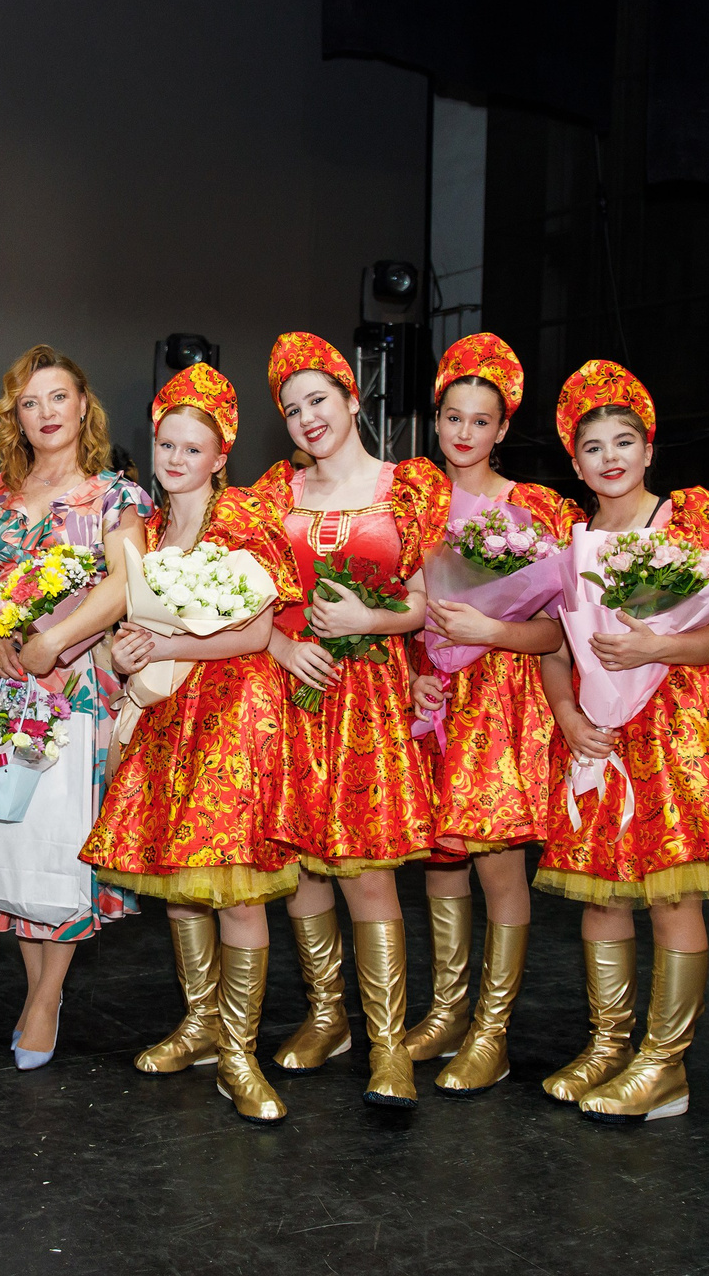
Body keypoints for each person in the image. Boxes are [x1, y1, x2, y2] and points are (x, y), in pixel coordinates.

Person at [537, 360, 709, 1122]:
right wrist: (567, 716)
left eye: (623, 442)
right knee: (601, 896)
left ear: (649, 449)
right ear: (576, 465)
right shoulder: (569, 543)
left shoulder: (690, 519)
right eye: (593, 448)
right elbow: (555, 651)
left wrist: (656, 648)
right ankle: (607, 1046)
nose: (610, 457)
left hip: (675, 728)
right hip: (600, 734)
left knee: (670, 893)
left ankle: (664, 1067)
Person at [77, 364, 299, 1123]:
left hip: (232, 712)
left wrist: (170, 648)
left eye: (191, 448)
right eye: (166, 444)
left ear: (219, 456)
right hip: (164, 716)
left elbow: (259, 631)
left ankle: (240, 1051)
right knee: (178, 880)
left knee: (235, 884)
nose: (175, 458)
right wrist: (124, 654)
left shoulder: (242, 518)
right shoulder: (143, 528)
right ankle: (200, 1023)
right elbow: (126, 631)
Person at [252, 332, 443, 1109]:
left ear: (352, 398)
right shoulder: (274, 493)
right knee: (300, 866)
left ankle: (387, 1045)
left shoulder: (407, 486)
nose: (307, 419)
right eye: (292, 409)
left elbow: (427, 603)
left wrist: (372, 617)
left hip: (370, 697)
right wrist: (282, 646)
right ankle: (327, 1015)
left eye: (319, 400)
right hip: (293, 690)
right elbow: (251, 596)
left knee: (368, 871)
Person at [0, 345, 146, 1070]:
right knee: (18, 836)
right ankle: (38, 988)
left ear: (83, 406)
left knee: (67, 841)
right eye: (29, 402)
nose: (45, 412)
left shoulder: (116, 495)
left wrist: (57, 642)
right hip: (8, 686)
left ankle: (45, 998)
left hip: (79, 687)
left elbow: (126, 583)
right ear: (16, 416)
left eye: (58, 397)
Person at [406, 335, 576, 1095]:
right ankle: (447, 1013)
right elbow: (399, 611)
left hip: (502, 706)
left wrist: (489, 630)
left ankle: (492, 1032)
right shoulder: (411, 502)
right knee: (441, 860)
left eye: (481, 420)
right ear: (436, 419)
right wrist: (418, 672)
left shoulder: (537, 509)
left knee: (499, 867)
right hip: (434, 702)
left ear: (503, 428)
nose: (465, 432)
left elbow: (559, 634)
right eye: (453, 417)